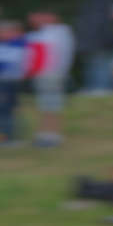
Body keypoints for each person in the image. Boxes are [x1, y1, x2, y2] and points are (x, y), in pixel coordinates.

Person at [27, 10, 74, 147]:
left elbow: (44, 54)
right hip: (48, 74)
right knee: (47, 105)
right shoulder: (54, 33)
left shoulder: (54, 33)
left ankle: (51, 135)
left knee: (50, 105)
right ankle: (46, 133)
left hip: (50, 73)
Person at [74, 0, 113, 95]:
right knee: (93, 62)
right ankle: (94, 87)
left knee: (100, 62)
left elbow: (102, 19)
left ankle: (102, 88)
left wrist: (105, 35)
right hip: (93, 36)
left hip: (100, 36)